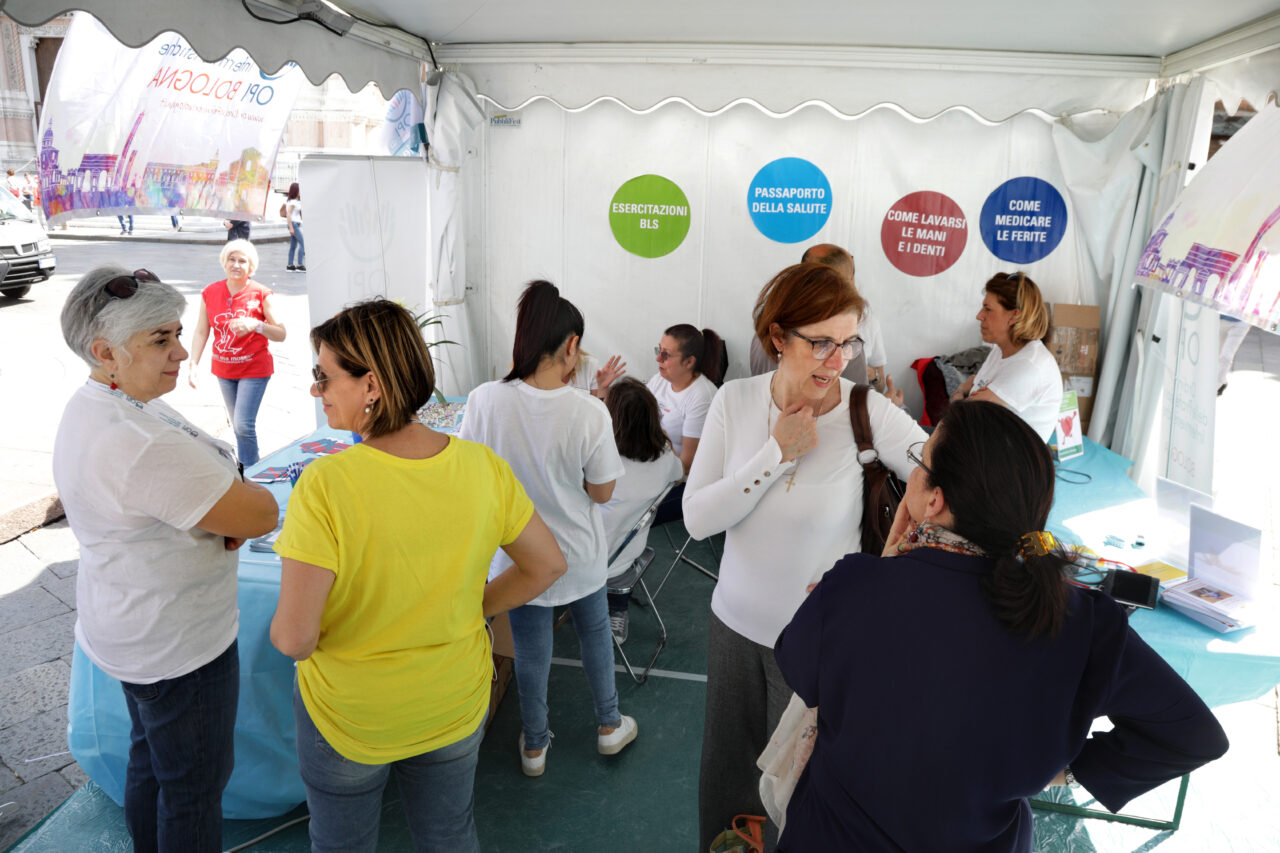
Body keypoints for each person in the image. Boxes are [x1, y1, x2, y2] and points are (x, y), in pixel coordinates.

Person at [774, 400, 1230, 850]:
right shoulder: (1082, 620)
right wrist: (1068, 770)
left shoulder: (856, 586)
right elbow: (1193, 735)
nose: (913, 470)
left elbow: (797, 666)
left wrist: (886, 563)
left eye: (920, 459)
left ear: (935, 499)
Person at [270, 298, 565, 852]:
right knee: (449, 835)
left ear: (372, 385)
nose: (317, 390)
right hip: (453, 701)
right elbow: (547, 564)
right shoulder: (481, 467)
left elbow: (294, 638)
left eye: (323, 376)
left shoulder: (327, 485)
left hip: (353, 716)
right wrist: (475, 605)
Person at [684, 262, 926, 850]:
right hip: (735, 630)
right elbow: (697, 519)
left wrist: (894, 555)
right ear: (777, 338)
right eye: (820, 342)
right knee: (727, 792)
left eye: (846, 343)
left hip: (817, 645)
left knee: (798, 799)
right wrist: (775, 454)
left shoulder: (867, 412)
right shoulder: (735, 402)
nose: (835, 359)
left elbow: (941, 478)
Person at [53, 265, 279, 851]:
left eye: (178, 332)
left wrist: (217, 510)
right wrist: (229, 512)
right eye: (160, 340)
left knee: (152, 761)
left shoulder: (104, 401)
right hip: (178, 645)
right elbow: (258, 516)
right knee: (192, 788)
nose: (181, 351)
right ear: (105, 351)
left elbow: (206, 497)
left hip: (133, 625)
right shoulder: (136, 440)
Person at [459, 280, 638, 777]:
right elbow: (602, 493)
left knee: (532, 653)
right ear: (572, 346)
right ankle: (608, 725)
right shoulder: (589, 411)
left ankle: (535, 746)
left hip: (517, 559)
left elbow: (473, 475)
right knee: (595, 638)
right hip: (578, 555)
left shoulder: (484, 400)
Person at [599, 377, 684, 643]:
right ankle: (618, 610)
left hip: (587, 563)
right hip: (628, 557)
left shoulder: (598, 461)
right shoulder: (666, 458)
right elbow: (680, 475)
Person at [187, 239, 285, 467]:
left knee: (243, 425)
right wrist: (193, 364)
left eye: (243, 260)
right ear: (224, 262)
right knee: (238, 426)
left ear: (251, 266)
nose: (236, 264)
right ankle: (249, 469)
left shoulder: (262, 294)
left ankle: (250, 472)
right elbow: (202, 332)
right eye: (232, 259)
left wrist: (256, 325)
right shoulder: (210, 292)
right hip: (224, 369)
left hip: (254, 368)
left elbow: (281, 333)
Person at [951, 271, 1063, 442]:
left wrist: (960, 392)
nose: (979, 316)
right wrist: (965, 395)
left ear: (1014, 316)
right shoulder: (1001, 349)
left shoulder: (1029, 366)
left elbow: (962, 419)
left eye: (987, 309)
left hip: (1001, 464)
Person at [643, 323, 724, 526]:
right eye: (658, 350)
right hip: (656, 468)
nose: (658, 359)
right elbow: (637, 421)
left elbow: (685, 467)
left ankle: (627, 552)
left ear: (689, 362)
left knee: (628, 511)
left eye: (666, 355)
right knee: (608, 493)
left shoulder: (701, 396)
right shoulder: (659, 381)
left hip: (686, 484)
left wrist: (660, 440)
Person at [284, 182, 306, 272]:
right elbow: (288, 214)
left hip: (295, 224)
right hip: (293, 224)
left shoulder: (293, 201)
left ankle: (290, 265)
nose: (300, 192)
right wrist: (291, 228)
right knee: (303, 243)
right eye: (299, 190)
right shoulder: (292, 202)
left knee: (293, 246)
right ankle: (300, 264)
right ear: (296, 191)